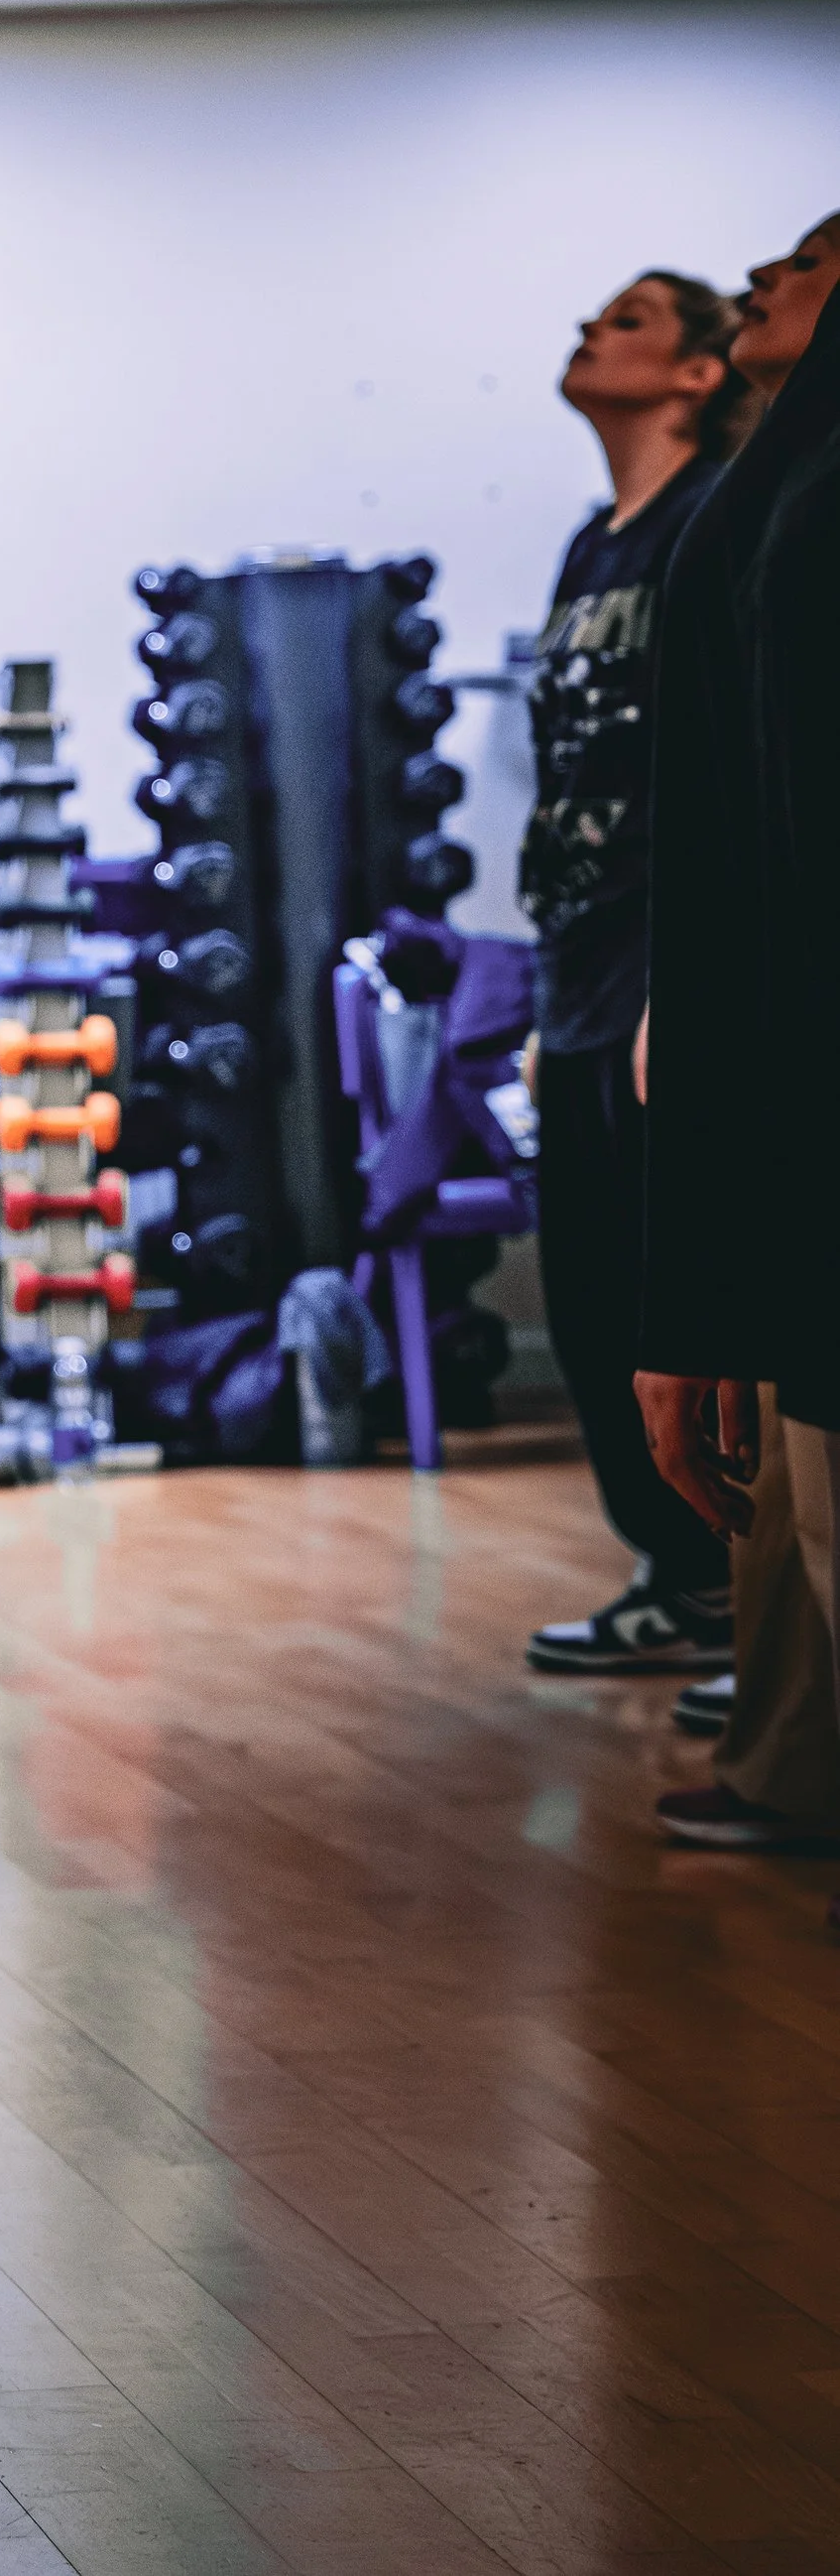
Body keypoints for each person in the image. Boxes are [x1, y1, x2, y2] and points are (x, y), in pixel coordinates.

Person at [634, 214, 840, 1907]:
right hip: (748, 1059)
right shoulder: (747, 519)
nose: (770, 276)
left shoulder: (775, 514)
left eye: (806, 261)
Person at [520, 271, 746, 1677]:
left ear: (698, 375)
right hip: (579, 962)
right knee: (593, 1286)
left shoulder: (703, 527)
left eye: (633, 319)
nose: (590, 327)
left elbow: (713, 772)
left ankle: (735, 1586)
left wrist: (683, 975)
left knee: (679, 1297)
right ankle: (673, 1574)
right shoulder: (588, 546)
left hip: (665, 964)